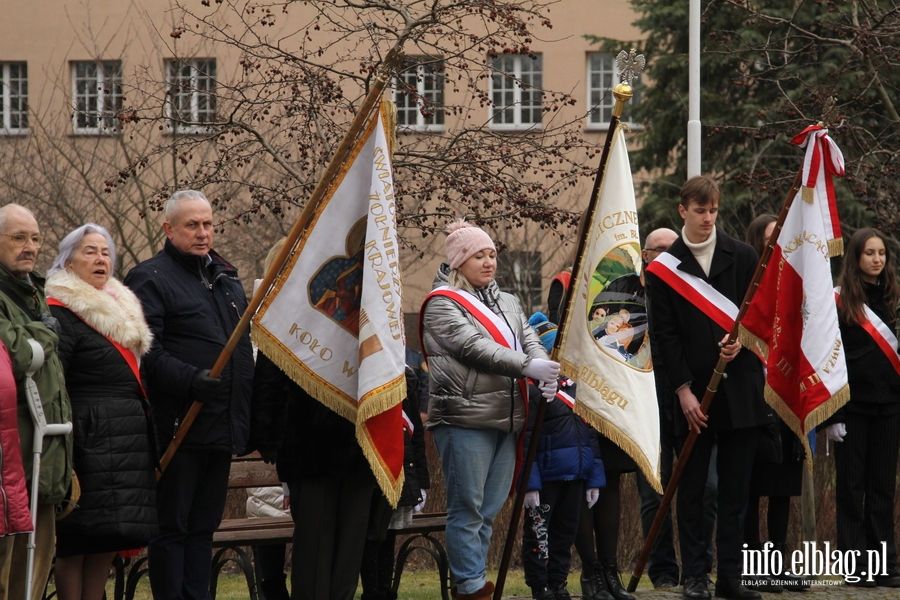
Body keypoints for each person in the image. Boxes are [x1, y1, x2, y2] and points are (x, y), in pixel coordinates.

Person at [645, 176, 773, 600]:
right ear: (683, 211)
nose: (707, 218)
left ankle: (732, 579)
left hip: (739, 394)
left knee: (736, 492)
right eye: (700, 211)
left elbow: (761, 321)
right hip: (691, 397)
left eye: (713, 210)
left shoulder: (743, 255)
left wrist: (743, 343)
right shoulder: (665, 268)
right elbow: (663, 337)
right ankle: (696, 576)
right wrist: (682, 391)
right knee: (694, 491)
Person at [124, 190, 254, 600]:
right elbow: (145, 350)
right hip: (179, 425)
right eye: (192, 225)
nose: (203, 233)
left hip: (220, 425)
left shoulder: (226, 279)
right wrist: (190, 379)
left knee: (203, 529)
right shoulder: (149, 278)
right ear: (168, 228)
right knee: (173, 529)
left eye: (208, 224)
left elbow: (242, 351)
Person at [421, 219, 558, 600]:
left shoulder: (510, 302)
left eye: (492, 254)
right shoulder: (441, 304)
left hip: (507, 417)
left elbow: (529, 340)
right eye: (479, 255)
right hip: (464, 418)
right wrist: (527, 366)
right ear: (459, 261)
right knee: (467, 508)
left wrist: (542, 367)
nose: (488, 262)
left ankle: (474, 581)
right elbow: (475, 348)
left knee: (489, 510)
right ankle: (471, 587)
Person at [45, 224, 158, 600]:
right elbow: (54, 383)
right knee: (77, 541)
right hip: (86, 441)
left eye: (105, 252)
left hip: (124, 440)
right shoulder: (61, 312)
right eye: (89, 251)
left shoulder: (120, 307)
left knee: (107, 538)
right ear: (68, 261)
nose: (100, 259)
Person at [0, 204, 72, 600]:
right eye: (18, 237)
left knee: (33, 579)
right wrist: (44, 335)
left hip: (42, 460)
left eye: (35, 238)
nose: (30, 247)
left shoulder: (36, 292)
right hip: (8, 466)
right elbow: (14, 353)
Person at [827, 228, 900, 587]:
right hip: (853, 409)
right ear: (856, 258)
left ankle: (885, 562)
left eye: (882, 253)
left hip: (889, 405)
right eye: (870, 253)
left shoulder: (892, 300)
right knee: (852, 488)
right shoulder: (839, 301)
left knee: (883, 487)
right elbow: (832, 360)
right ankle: (855, 564)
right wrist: (834, 416)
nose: (877, 259)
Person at [741, 214, 808, 593]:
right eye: (771, 238)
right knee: (751, 488)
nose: (777, 244)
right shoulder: (747, 282)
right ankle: (752, 564)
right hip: (754, 397)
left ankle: (778, 561)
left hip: (787, 397)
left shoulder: (796, 285)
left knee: (783, 486)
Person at [521, 313, 605, 600]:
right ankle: (540, 584)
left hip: (577, 474)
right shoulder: (533, 391)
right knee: (539, 536)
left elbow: (589, 436)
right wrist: (529, 484)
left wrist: (594, 478)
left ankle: (557, 582)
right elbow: (526, 441)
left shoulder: (577, 388)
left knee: (565, 535)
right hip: (546, 478)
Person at [360, 367, 431, 600]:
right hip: (369, 469)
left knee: (388, 533)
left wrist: (420, 481)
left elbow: (416, 435)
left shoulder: (406, 377)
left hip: (399, 468)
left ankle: (385, 591)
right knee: (372, 535)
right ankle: (373, 593)